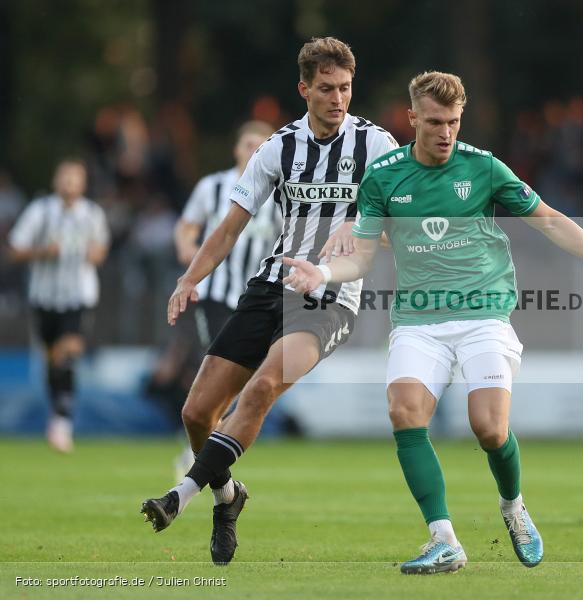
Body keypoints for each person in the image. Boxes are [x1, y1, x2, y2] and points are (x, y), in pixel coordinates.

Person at [283, 71, 583, 574]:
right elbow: (365, 258)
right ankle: (443, 539)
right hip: (418, 320)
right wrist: (324, 273)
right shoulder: (384, 176)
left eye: (454, 122)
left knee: (488, 428)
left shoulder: (484, 168)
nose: (445, 133)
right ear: (413, 119)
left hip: (483, 314)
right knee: (404, 411)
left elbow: (551, 220)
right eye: (435, 122)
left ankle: (513, 507)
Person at [139, 37, 398, 566]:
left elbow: (400, 222)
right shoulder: (278, 148)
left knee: (263, 387)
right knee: (196, 412)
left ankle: (179, 497)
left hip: (330, 295)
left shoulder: (376, 145)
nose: (338, 99)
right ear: (304, 88)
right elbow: (229, 226)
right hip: (271, 285)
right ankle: (227, 497)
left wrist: (362, 224)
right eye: (326, 89)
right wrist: (189, 279)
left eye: (346, 88)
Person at [164, 120, 279, 476]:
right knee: (217, 368)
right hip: (215, 293)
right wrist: (187, 251)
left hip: (258, 297)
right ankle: (201, 447)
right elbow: (186, 225)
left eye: (261, 146)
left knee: (247, 380)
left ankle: (207, 445)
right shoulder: (213, 187)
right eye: (248, 144)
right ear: (236, 148)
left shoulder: (280, 192)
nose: (253, 151)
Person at [8, 158, 109, 452]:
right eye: (65, 178)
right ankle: (57, 413)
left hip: (79, 295)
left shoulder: (92, 214)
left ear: (82, 184)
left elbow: (101, 249)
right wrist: (42, 252)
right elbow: (14, 250)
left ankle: (62, 422)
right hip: (44, 297)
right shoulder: (40, 211)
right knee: (52, 361)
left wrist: (95, 255)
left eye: (75, 178)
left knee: (68, 351)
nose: (69, 184)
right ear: (56, 181)